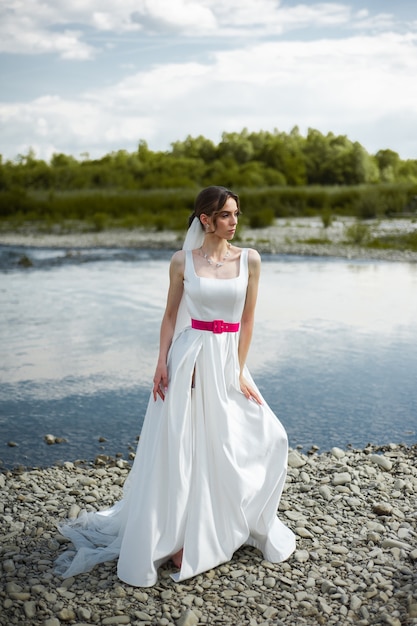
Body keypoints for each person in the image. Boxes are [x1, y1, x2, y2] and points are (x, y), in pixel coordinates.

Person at [55, 185, 296, 587]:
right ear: (205, 220)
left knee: (264, 435)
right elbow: (169, 317)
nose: (234, 222)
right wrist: (161, 363)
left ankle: (224, 524)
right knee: (186, 445)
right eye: (225, 215)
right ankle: (182, 537)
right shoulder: (181, 261)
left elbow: (249, 320)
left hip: (227, 361)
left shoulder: (250, 260)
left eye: (236, 214)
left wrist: (238, 371)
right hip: (188, 358)